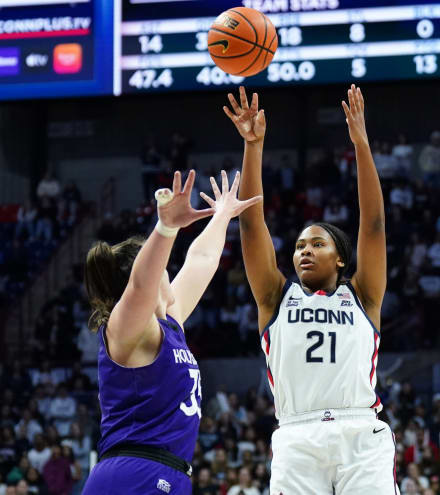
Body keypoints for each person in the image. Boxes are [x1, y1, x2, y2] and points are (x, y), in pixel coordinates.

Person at [225, 85, 398, 493]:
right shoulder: (275, 297)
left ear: (341, 258)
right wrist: (253, 146)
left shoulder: (363, 295)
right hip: (297, 435)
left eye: (317, 244)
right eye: (300, 245)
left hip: (359, 431)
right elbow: (251, 225)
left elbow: (373, 224)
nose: (304, 251)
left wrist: (361, 144)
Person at [81, 170, 261, 494]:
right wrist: (166, 228)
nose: (168, 268)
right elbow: (140, 285)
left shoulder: (169, 325)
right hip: (131, 472)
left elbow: (202, 259)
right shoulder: (125, 329)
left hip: (171, 475)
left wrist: (222, 215)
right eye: (162, 265)